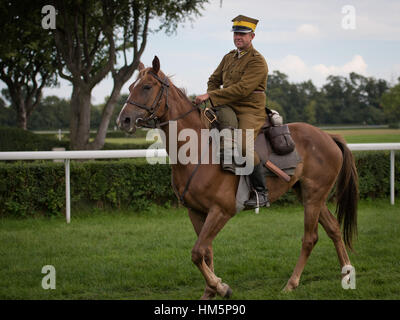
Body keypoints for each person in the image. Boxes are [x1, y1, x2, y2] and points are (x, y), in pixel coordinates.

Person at [195, 15, 270, 209]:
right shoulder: (228, 57)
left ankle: (261, 193)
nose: (238, 37)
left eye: (243, 34)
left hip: (249, 110)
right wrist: (212, 96)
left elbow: (243, 90)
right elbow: (214, 79)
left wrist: (211, 96)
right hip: (227, 106)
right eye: (236, 33)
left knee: (244, 147)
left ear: (252, 36)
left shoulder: (257, 61)